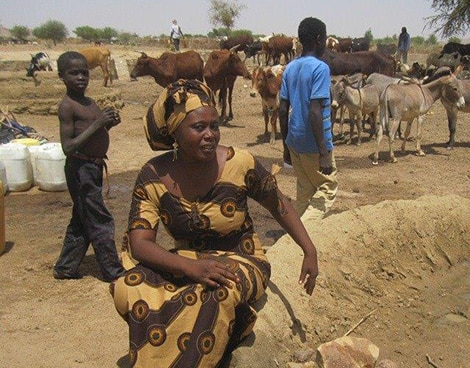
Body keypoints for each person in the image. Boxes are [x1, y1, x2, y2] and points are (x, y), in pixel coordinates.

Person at [111, 79, 319, 367]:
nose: (211, 135)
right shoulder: (153, 175)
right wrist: (190, 267)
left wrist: (309, 250)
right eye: (199, 127)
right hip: (187, 259)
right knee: (128, 285)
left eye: (215, 126)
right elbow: (140, 243)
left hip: (241, 257)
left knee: (215, 292)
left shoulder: (240, 163)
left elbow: (279, 204)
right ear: (175, 132)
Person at [53, 51, 125, 282]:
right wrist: (98, 124)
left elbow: (93, 132)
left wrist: (108, 124)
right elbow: (68, 146)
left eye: (84, 72)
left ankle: (65, 268)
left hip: (92, 168)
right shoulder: (67, 106)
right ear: (61, 76)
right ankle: (113, 272)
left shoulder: (89, 102)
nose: (81, 77)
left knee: (82, 220)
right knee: (100, 220)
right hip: (79, 169)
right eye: (74, 73)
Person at [278, 17, 338, 223]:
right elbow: (315, 111)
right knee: (328, 189)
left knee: (304, 191)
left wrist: (285, 146)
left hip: (294, 142)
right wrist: (324, 153)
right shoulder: (320, 68)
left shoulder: (291, 68)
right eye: (326, 37)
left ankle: (293, 239)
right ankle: (302, 238)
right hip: (315, 145)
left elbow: (283, 109)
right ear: (320, 39)